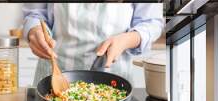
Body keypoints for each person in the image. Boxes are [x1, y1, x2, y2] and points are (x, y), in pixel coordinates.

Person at [23, 3, 164, 86]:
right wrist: (34, 30)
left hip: (114, 79)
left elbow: (151, 22)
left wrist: (126, 40)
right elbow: (35, 13)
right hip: (55, 76)